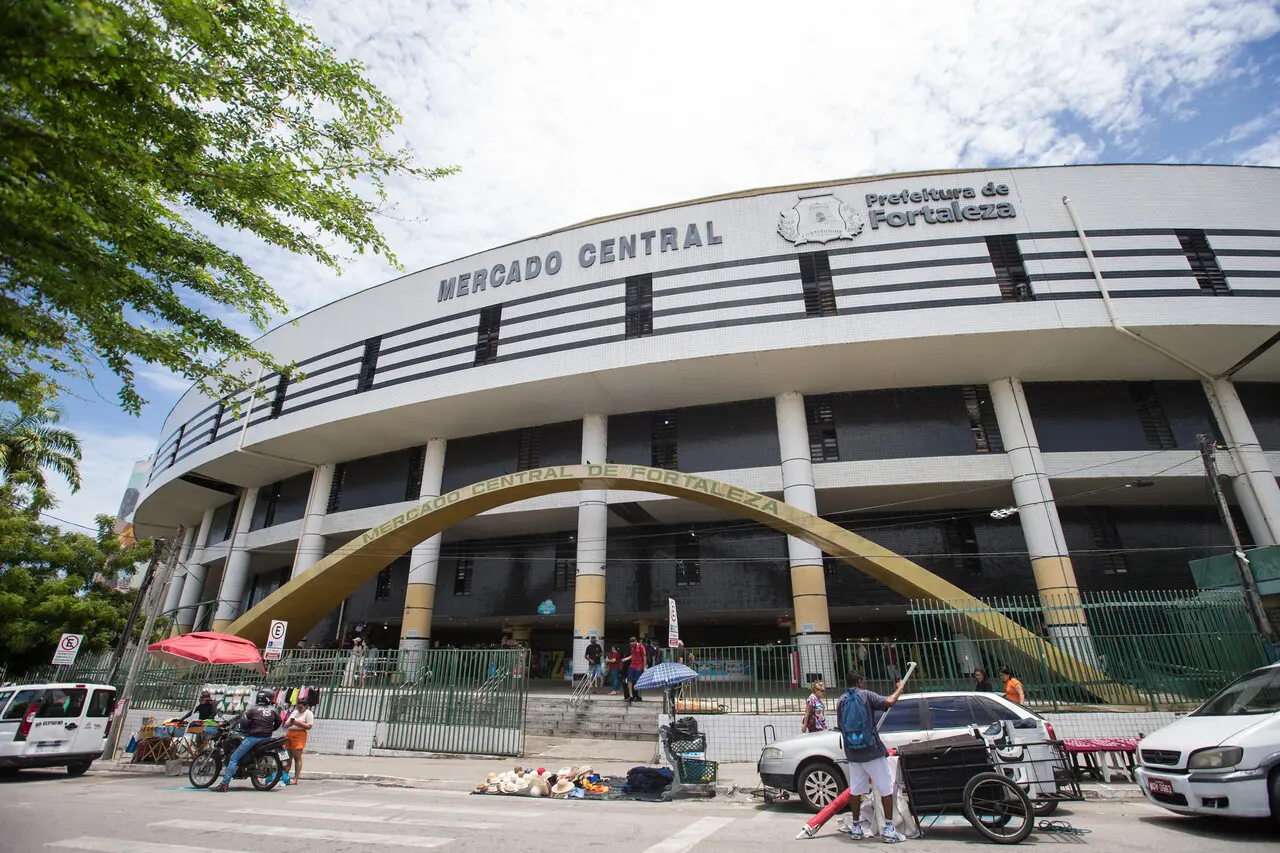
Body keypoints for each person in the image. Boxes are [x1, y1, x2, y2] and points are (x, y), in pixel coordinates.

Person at [836, 670, 907, 842]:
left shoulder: (841, 700)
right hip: (873, 751)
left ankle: (856, 827)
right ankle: (889, 829)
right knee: (886, 789)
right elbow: (889, 702)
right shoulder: (866, 695)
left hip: (853, 753)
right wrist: (899, 688)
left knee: (856, 790)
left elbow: (840, 725)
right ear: (860, 681)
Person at [214, 690, 282, 792]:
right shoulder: (274, 710)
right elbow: (278, 722)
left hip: (254, 738)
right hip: (267, 737)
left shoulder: (252, 710)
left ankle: (224, 784)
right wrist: (271, 730)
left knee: (234, 758)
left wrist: (246, 729)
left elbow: (243, 721)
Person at [281, 696, 314, 785]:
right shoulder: (294, 713)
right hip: (290, 733)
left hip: (300, 735)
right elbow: (286, 724)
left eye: (301, 707)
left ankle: (296, 778)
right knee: (288, 757)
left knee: (297, 757)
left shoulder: (308, 713)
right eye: (297, 707)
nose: (299, 709)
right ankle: (285, 776)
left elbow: (309, 726)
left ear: (305, 706)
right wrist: (291, 723)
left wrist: (299, 723)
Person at [626, 636, 646, 703]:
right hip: (632, 665)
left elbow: (644, 657)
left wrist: (644, 667)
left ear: (636, 642)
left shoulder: (641, 647)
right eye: (631, 644)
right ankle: (631, 695)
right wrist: (626, 659)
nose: (632, 645)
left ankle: (639, 696)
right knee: (629, 680)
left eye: (633, 644)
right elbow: (632, 655)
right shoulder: (632, 647)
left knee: (638, 681)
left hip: (639, 666)